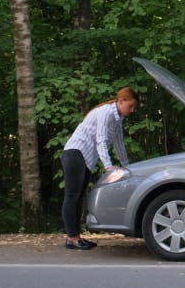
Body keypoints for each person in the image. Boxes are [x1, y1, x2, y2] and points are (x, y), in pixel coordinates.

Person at [61, 87, 138, 250]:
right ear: (121, 101)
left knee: (79, 198)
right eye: (130, 106)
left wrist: (127, 166)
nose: (132, 110)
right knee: (72, 197)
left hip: (86, 159)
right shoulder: (106, 112)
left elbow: (119, 144)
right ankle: (72, 238)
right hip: (75, 153)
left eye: (134, 107)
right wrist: (109, 167)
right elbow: (101, 141)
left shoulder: (118, 119)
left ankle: (76, 237)